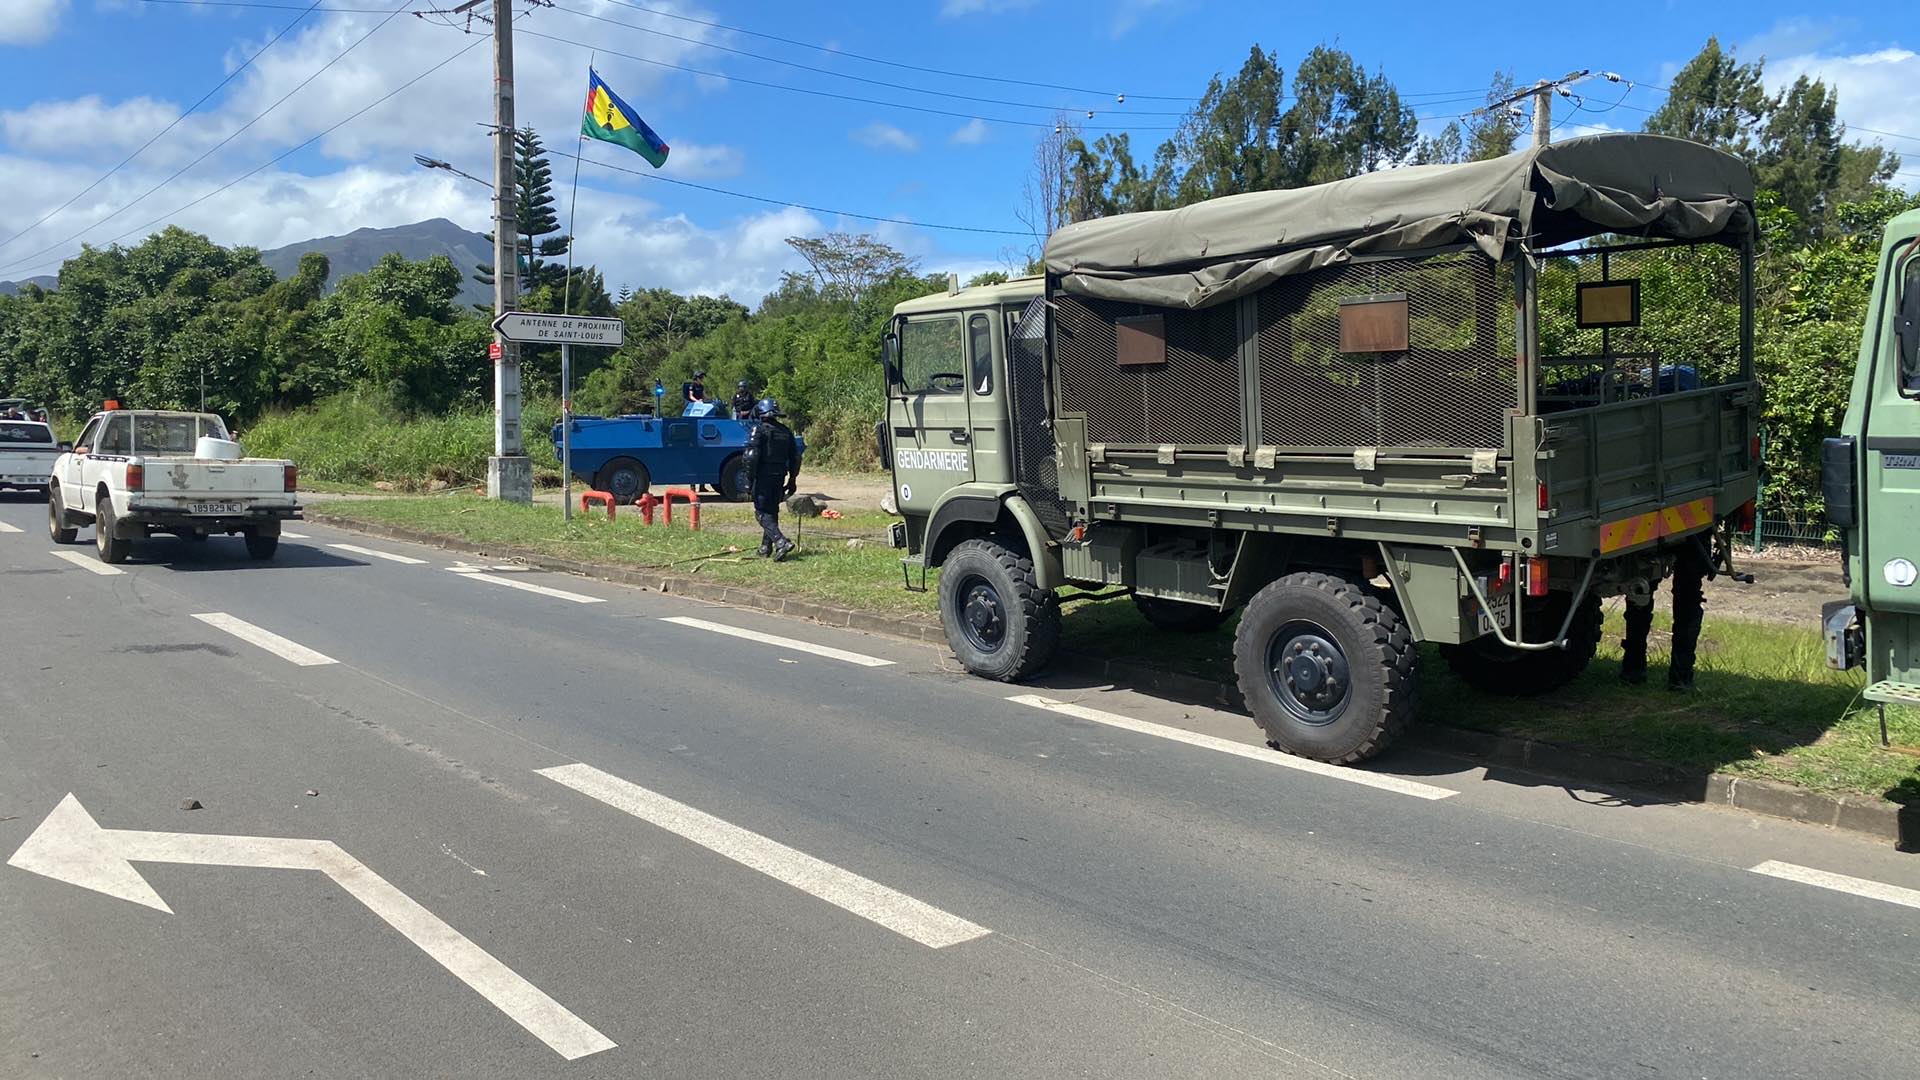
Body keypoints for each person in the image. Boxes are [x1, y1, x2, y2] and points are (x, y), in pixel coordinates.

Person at [1621, 535, 1710, 690]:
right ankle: (1681, 676)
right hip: (1692, 527)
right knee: (1687, 593)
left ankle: (1633, 669)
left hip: (1651, 527)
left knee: (1641, 587)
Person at [743, 397, 801, 561]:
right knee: (771, 511)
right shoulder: (785, 431)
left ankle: (781, 542)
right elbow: (795, 457)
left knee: (761, 513)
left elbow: (751, 457)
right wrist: (792, 480)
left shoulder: (759, 430)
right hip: (779, 476)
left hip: (764, 476)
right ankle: (765, 547)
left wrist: (748, 480)